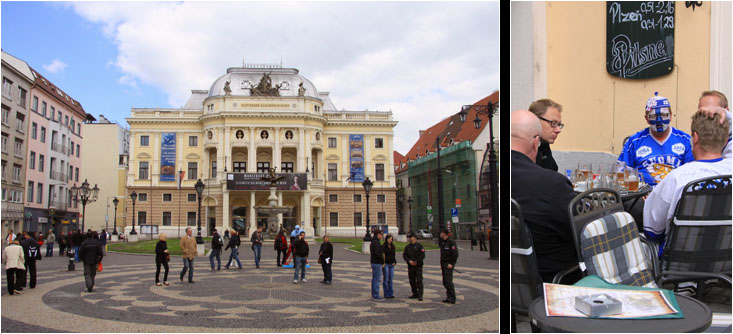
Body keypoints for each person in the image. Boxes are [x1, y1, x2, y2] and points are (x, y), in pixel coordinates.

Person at [644, 112, 731, 253]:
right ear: (726, 140)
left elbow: (652, 232)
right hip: (727, 265)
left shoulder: (677, 178)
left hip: (679, 267)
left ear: (695, 138)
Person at [511, 109, 578, 283]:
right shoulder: (551, 184)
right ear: (535, 143)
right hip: (557, 281)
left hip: (518, 284)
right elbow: (582, 231)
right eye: (553, 123)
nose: (557, 129)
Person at [618, 92, 694, 187]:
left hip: (675, 195)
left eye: (663, 115)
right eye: (653, 116)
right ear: (646, 118)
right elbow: (620, 172)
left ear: (670, 116)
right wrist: (637, 192)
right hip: (643, 195)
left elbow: (692, 174)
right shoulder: (634, 142)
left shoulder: (685, 140)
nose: (659, 120)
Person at [528, 98, 564, 171]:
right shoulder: (521, 148)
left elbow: (552, 171)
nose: (558, 130)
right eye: (553, 123)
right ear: (536, 120)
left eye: (559, 124)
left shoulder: (543, 143)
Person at [696, 90, 731, 158]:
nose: (707, 117)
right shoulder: (696, 139)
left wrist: (724, 113)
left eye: (712, 112)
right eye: (703, 113)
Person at [403, 233, 425, 301]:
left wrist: (416, 261)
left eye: (411, 237)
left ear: (414, 238)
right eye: (409, 237)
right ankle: (414, 293)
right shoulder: (407, 247)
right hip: (410, 265)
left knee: (419, 280)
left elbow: (422, 255)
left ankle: (420, 294)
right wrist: (409, 261)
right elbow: (405, 255)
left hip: (418, 265)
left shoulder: (419, 246)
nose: (410, 238)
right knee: (412, 280)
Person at [439, 229, 459, 304]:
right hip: (444, 264)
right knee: (445, 281)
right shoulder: (443, 242)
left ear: (444, 234)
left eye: (441, 232)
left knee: (448, 281)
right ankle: (449, 296)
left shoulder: (451, 242)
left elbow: (455, 254)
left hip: (448, 264)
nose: (440, 234)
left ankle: (452, 297)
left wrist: (452, 263)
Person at [369, 230, 385, 300]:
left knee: (375, 279)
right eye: (381, 234)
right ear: (378, 234)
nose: (382, 236)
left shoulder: (373, 242)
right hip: (377, 262)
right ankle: (376, 295)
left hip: (374, 262)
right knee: (377, 279)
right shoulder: (376, 242)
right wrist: (382, 261)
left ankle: (374, 294)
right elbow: (378, 253)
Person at [382, 234, 396, 298]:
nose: (390, 240)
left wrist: (395, 262)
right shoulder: (384, 246)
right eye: (389, 238)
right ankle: (386, 293)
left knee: (391, 279)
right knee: (386, 279)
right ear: (386, 239)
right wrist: (383, 263)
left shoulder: (393, 246)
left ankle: (391, 293)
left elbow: (393, 255)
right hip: (386, 264)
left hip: (392, 264)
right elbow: (383, 255)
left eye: (391, 239)